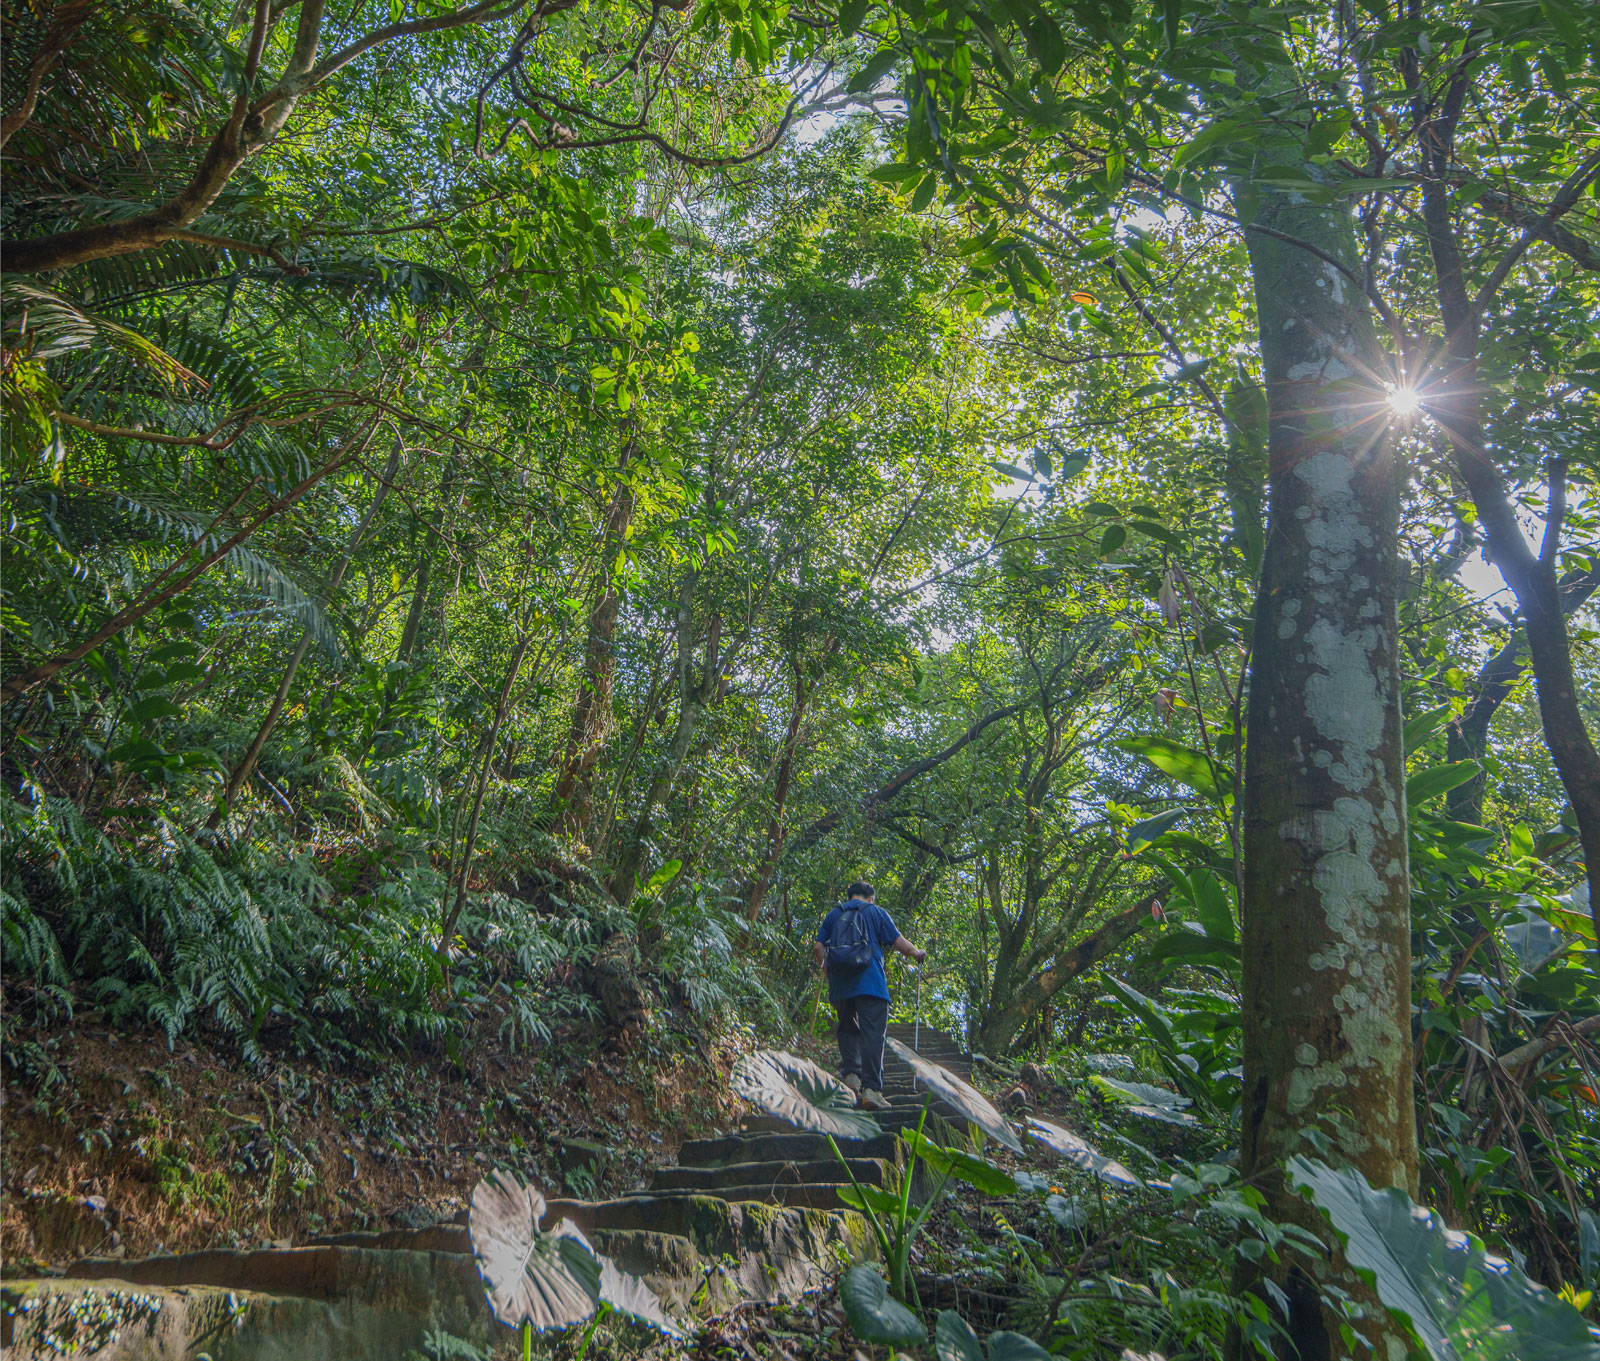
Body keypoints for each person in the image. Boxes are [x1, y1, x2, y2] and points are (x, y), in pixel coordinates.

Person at [814, 881, 927, 1111]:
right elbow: (898, 942)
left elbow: (818, 948)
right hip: (871, 984)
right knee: (873, 1035)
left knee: (846, 1028)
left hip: (841, 987)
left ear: (849, 896)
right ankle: (871, 1090)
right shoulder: (875, 912)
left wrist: (829, 974)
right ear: (871, 898)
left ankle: (852, 1077)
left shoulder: (834, 915)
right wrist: (916, 952)